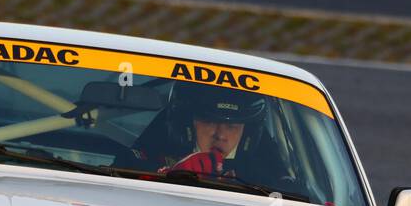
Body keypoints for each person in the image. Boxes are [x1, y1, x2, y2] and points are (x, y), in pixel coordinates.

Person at [115, 82, 294, 190]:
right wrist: (166, 175)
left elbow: (303, 202)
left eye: (232, 126)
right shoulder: (142, 159)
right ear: (186, 125)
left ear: (247, 133)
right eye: (210, 122)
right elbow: (113, 190)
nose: (221, 135)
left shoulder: (265, 175)